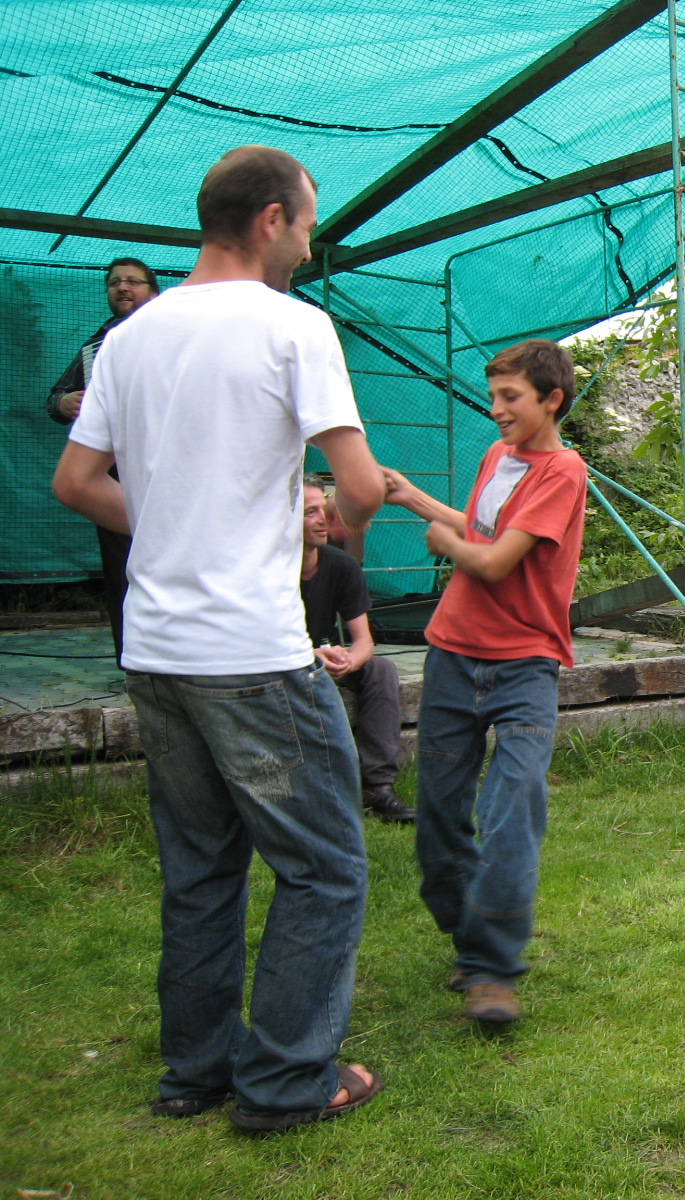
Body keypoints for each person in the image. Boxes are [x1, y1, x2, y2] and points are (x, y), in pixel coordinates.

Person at [54, 145, 386, 1132]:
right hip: (251, 655)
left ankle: (196, 1071)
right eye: (309, 223)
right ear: (272, 218)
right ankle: (285, 1083)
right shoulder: (293, 325)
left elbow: (75, 483)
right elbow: (358, 486)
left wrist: (171, 528)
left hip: (155, 652)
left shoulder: (128, 338)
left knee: (200, 868)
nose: (311, 242)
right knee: (325, 867)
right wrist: (341, 529)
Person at [380, 339, 587, 1027]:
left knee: (511, 807)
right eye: (494, 395)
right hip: (453, 654)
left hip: (525, 665)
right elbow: (478, 527)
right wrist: (413, 499)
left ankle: (493, 969)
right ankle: (468, 936)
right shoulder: (498, 456)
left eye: (510, 397)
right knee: (439, 816)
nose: (495, 408)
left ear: (551, 400)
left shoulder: (563, 470)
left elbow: (493, 561)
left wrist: (448, 547)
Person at [46, 257, 161, 663]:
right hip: (112, 474)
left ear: (153, 290)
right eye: (115, 283)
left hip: (167, 466)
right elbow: (55, 397)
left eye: (133, 281)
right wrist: (63, 401)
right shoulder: (97, 345)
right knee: (120, 566)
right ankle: (132, 659)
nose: (123, 288)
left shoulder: (171, 331)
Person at [301, 478, 414, 823]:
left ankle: (377, 787)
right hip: (279, 661)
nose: (322, 519)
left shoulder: (340, 565)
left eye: (323, 509)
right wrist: (310, 655)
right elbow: (257, 640)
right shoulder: (263, 568)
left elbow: (364, 640)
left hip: (320, 659)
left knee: (380, 669)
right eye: (309, 512)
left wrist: (350, 660)